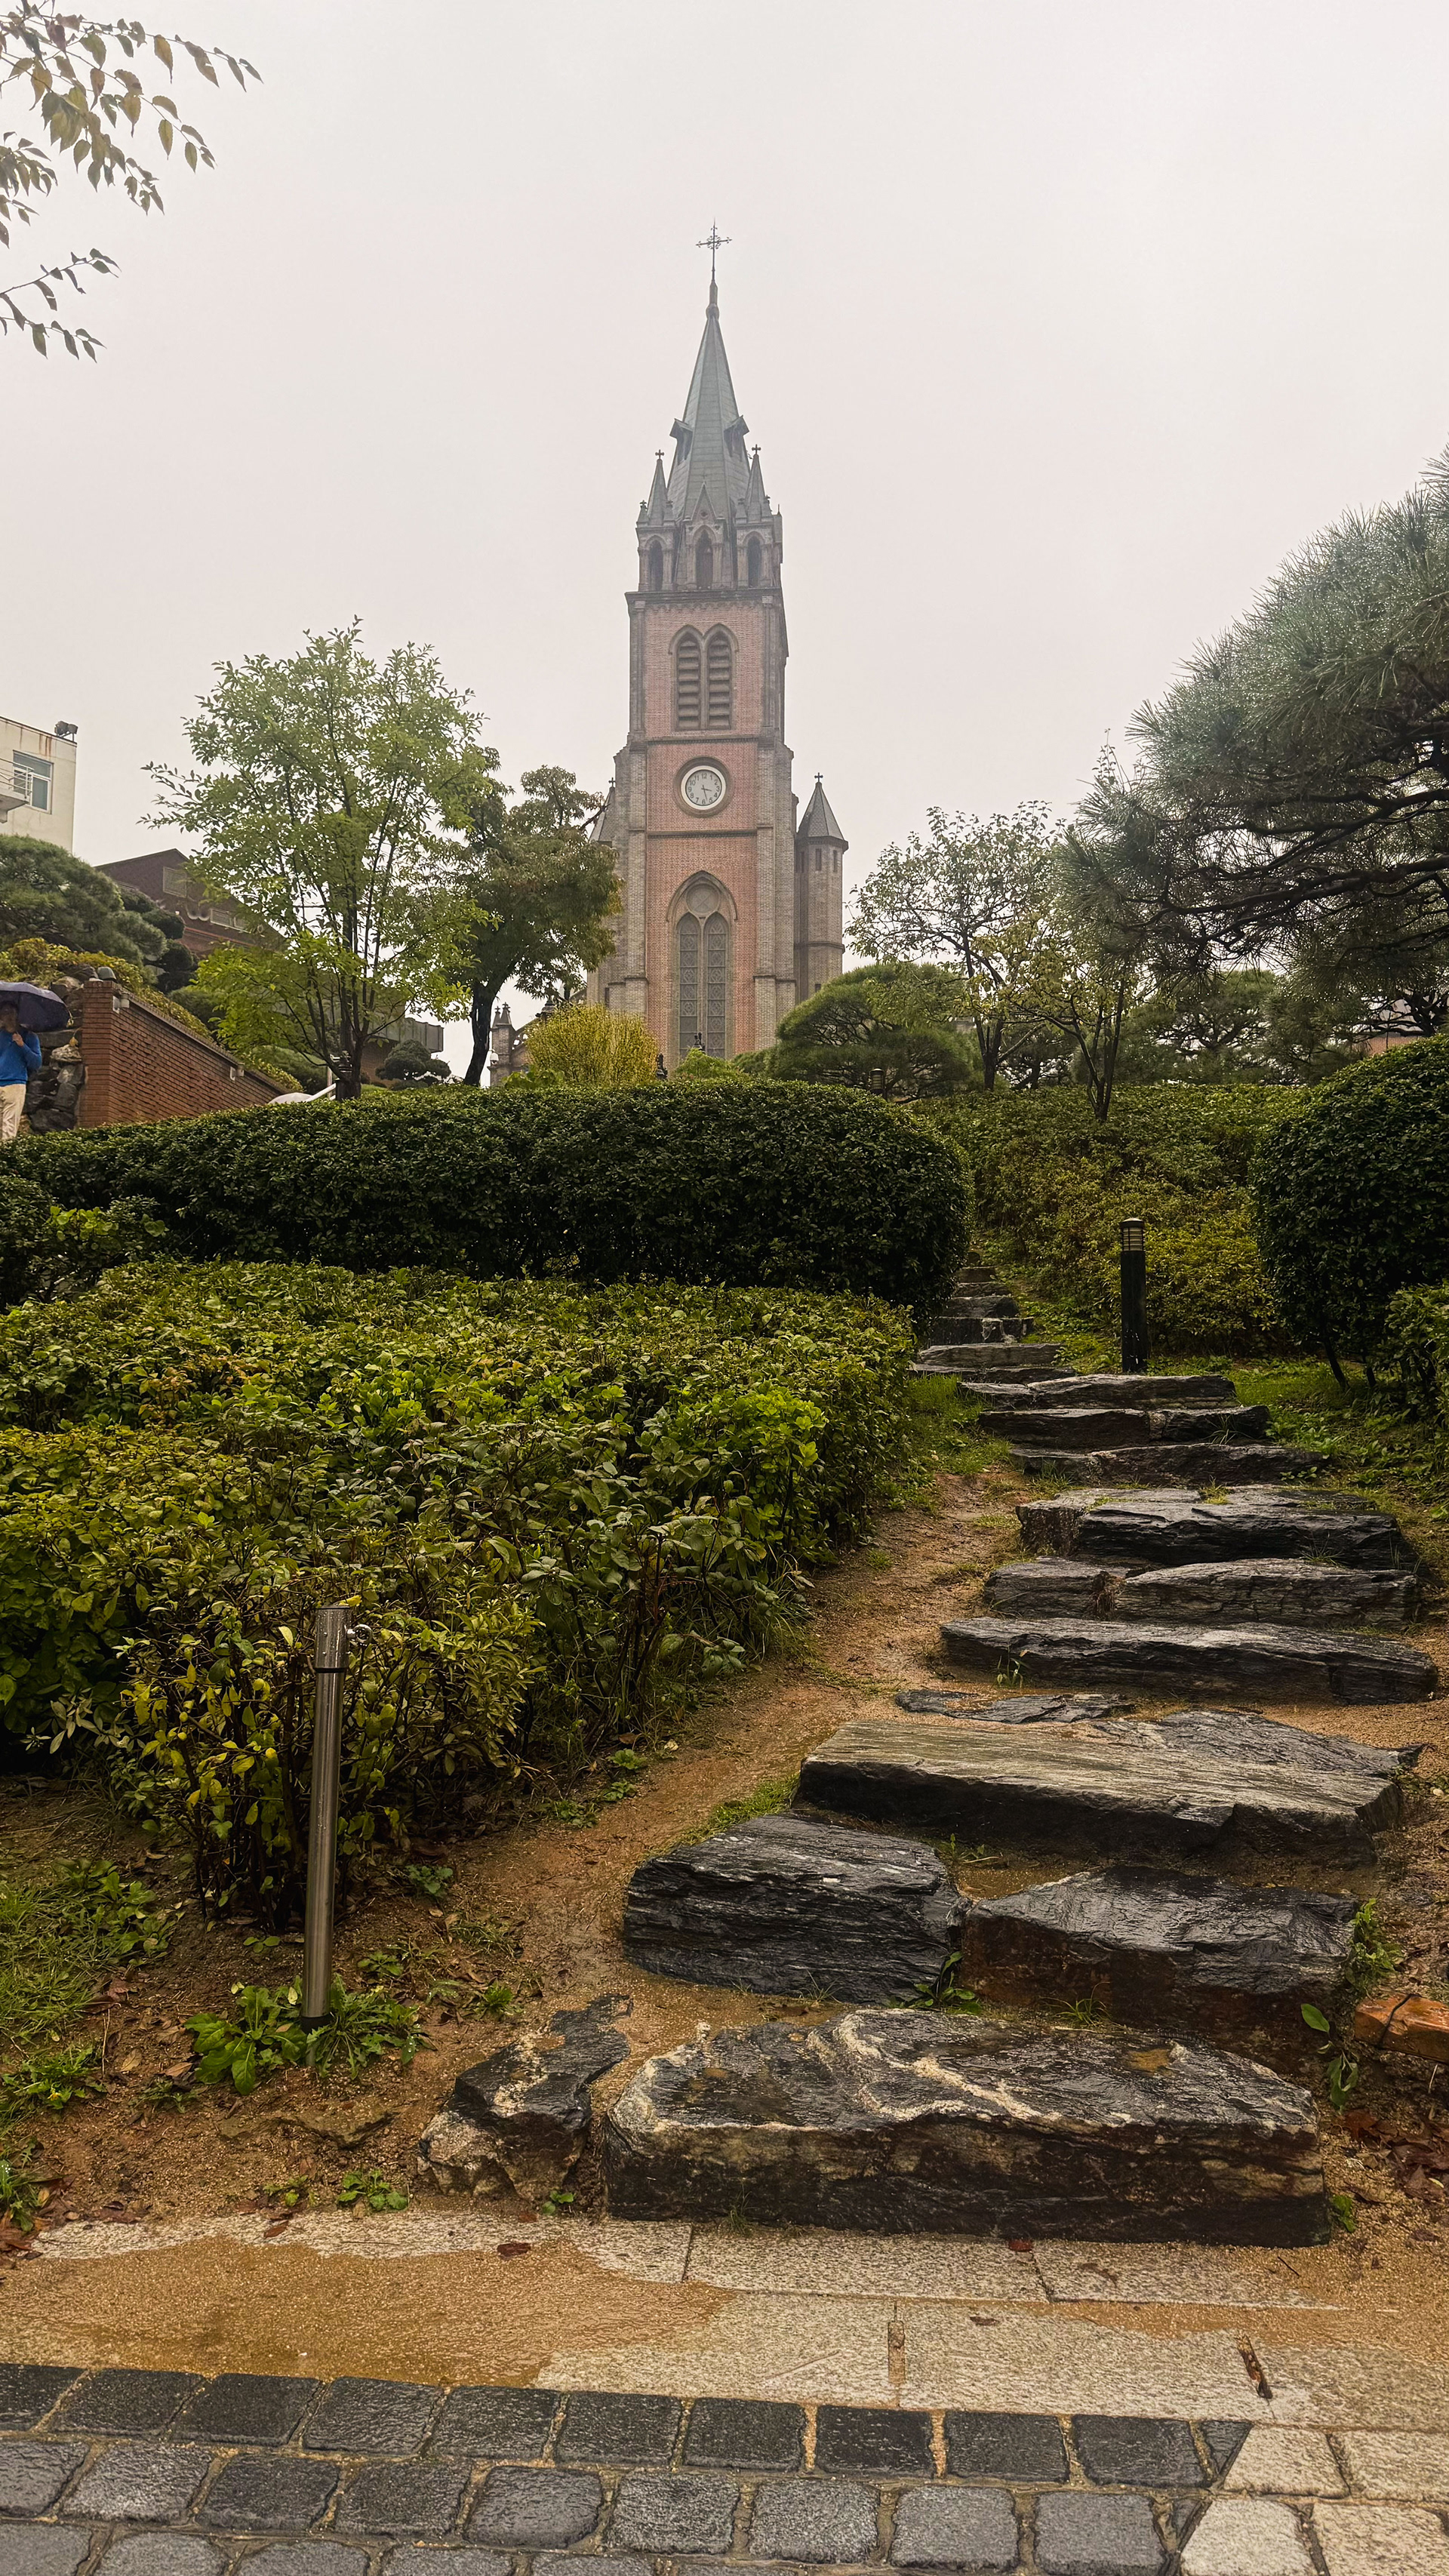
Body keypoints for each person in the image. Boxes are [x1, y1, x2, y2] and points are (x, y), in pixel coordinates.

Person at [0, 1002, 42, 1144]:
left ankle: (6, 1155)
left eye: (11, 1012)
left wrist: (22, 1045)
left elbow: (36, 1063)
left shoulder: (29, 1036)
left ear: (17, 1015)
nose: (9, 1016)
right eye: (5, 1012)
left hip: (15, 1083)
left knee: (9, 1126)